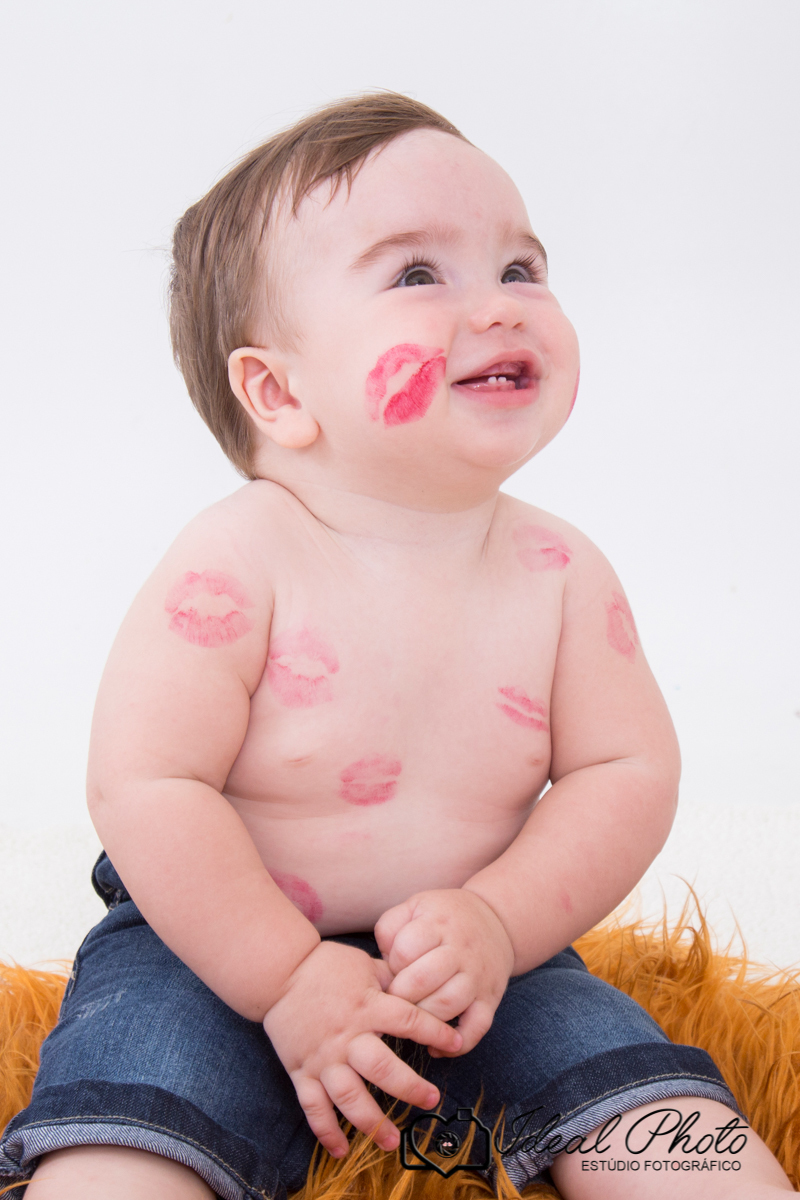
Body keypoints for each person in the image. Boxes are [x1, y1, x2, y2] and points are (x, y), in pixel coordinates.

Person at [0, 93, 792, 1200]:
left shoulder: (559, 573)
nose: (500, 306)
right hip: (214, 942)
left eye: (521, 267)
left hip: (479, 951)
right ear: (276, 390)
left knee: (655, 1115)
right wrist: (281, 976)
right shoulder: (234, 562)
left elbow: (625, 770)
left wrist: (503, 920)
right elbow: (145, 784)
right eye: (418, 275)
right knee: (131, 1115)